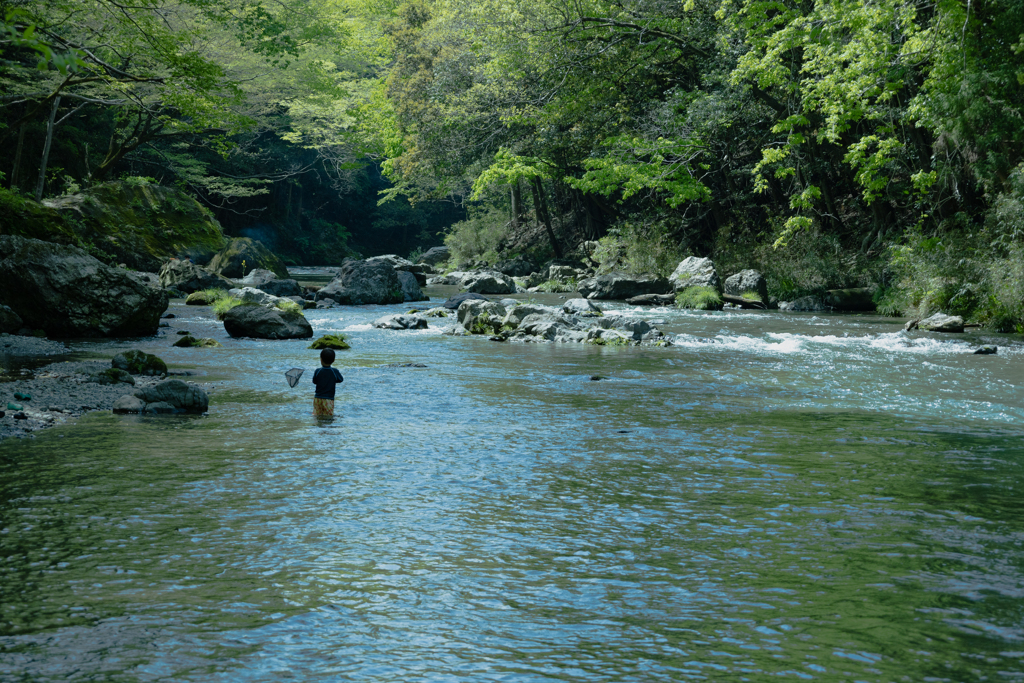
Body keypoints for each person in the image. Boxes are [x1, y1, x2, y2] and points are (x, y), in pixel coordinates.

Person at [312, 348, 343, 417]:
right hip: (329, 399)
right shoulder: (334, 371)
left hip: (317, 398)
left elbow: (314, 381)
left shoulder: (317, 371)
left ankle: (317, 427)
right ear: (333, 360)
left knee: (316, 415)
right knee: (328, 417)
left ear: (321, 359)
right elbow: (341, 379)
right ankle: (327, 427)